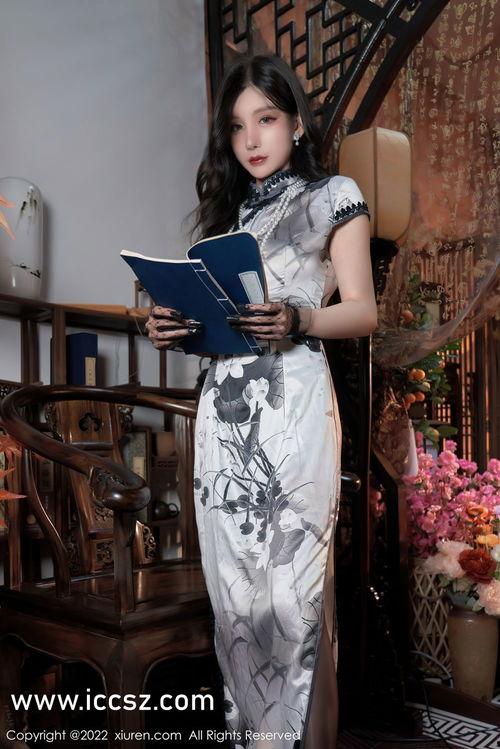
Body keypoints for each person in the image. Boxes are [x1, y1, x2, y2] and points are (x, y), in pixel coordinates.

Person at [146, 54, 377, 749]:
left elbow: (364, 311)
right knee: (237, 600)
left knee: (293, 596)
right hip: (225, 418)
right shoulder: (226, 220)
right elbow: (219, 328)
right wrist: (173, 328)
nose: (251, 138)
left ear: (297, 123)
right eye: (237, 125)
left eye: (267, 119)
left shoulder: (333, 195)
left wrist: (300, 318)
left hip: (294, 407)